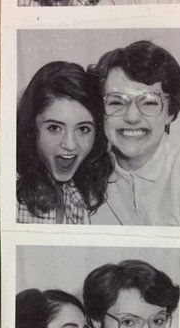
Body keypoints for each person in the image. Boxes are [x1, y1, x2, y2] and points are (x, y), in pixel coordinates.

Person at [87, 40, 180, 226]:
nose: (132, 117)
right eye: (116, 102)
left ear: (170, 113)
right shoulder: (84, 174)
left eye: (149, 102)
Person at [17, 61, 111, 223]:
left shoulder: (76, 193)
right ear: (31, 127)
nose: (70, 144)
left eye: (83, 129)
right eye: (54, 128)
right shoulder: (10, 192)